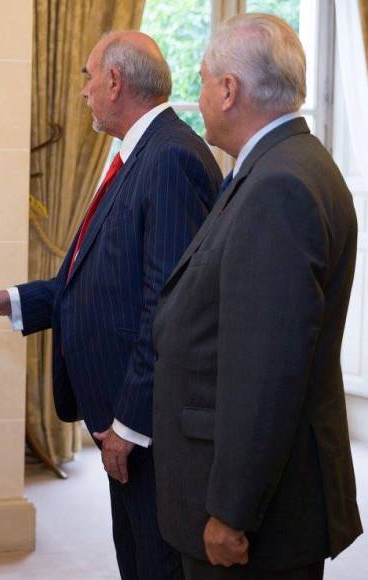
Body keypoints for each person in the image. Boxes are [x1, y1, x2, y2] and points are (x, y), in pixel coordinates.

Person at [0, 31, 221, 579]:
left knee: (155, 563)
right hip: (121, 414)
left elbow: (169, 306)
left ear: (115, 81)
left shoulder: (170, 158)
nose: (83, 91)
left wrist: (129, 424)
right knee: (135, 558)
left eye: (88, 77)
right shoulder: (140, 155)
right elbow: (88, 280)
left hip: (145, 424)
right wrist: (9, 301)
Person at [152, 13, 363, 580]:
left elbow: (266, 371)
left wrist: (231, 512)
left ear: (229, 90)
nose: (197, 96)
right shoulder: (282, 165)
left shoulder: (279, 185)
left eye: (202, 80)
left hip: (257, 513)